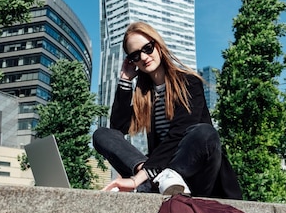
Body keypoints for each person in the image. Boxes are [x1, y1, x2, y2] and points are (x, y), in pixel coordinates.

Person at [93, 21, 241, 199]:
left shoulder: (189, 83)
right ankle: (155, 180)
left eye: (147, 48)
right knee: (102, 134)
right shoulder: (145, 95)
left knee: (204, 132)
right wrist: (125, 81)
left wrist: (136, 179)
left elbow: (179, 133)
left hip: (197, 176)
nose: (144, 57)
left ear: (158, 45)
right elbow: (118, 128)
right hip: (158, 172)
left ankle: (155, 179)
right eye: (135, 56)